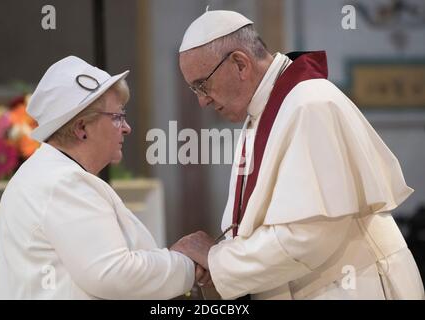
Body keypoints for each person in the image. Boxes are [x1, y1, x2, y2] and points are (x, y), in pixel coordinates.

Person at [171, 10, 425, 300]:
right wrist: (219, 257)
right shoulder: (262, 112)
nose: (202, 101)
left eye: (202, 85)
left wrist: (217, 260)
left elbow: (309, 236)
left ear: (240, 64)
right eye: (194, 90)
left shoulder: (310, 103)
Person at [0, 56, 195, 299]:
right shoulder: (63, 182)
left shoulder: (49, 174)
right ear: (81, 128)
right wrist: (187, 264)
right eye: (117, 117)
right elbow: (115, 274)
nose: (127, 127)